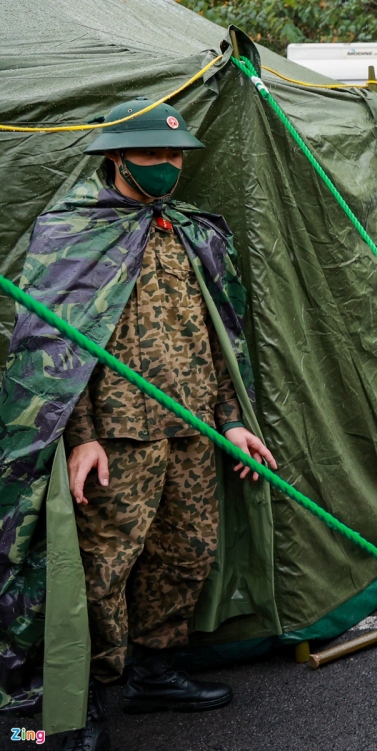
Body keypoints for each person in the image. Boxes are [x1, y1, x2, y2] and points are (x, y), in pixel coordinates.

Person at [0, 98, 275, 751]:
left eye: (176, 155)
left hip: (192, 431)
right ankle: (76, 700)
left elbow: (220, 334)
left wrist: (231, 421)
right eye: (154, 155)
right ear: (117, 157)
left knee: (186, 553)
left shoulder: (192, 230)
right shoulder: (72, 233)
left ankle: (156, 670)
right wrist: (79, 436)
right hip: (116, 436)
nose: (168, 167)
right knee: (99, 571)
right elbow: (54, 358)